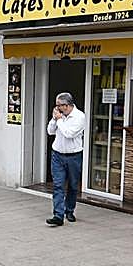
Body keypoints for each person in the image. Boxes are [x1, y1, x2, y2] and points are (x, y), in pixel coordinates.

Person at [46, 92, 85, 226]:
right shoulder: (59, 116)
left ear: (66, 105)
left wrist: (59, 120)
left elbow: (69, 134)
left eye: (59, 105)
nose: (57, 108)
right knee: (58, 185)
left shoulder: (79, 116)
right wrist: (54, 119)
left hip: (74, 156)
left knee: (73, 185)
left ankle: (69, 211)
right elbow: (50, 131)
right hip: (57, 155)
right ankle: (58, 215)